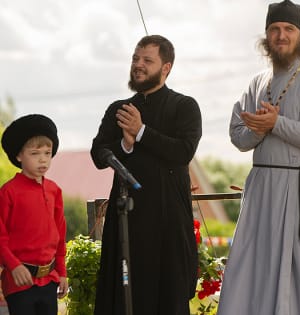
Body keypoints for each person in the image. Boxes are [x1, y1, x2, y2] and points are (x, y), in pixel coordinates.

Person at [217, 1, 300, 314]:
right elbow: (238, 136)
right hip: (262, 190)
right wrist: (261, 130)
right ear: (266, 36)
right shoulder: (256, 83)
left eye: (288, 29)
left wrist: (278, 124)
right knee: (252, 270)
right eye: (274, 29)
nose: (281, 35)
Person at [90, 34, 202, 315]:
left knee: (168, 298)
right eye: (135, 59)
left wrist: (141, 132)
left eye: (147, 61)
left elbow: (183, 152)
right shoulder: (119, 109)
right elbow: (98, 153)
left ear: (166, 68)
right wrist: (125, 144)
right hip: (128, 220)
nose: (138, 65)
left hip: (168, 221)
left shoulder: (185, 107)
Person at [0, 114, 68, 315]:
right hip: (19, 281)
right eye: (35, 153)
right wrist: (14, 266)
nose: (43, 159)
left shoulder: (54, 190)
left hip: (49, 280)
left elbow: (60, 237)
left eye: (47, 153)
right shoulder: (8, 192)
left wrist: (62, 272)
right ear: (19, 156)